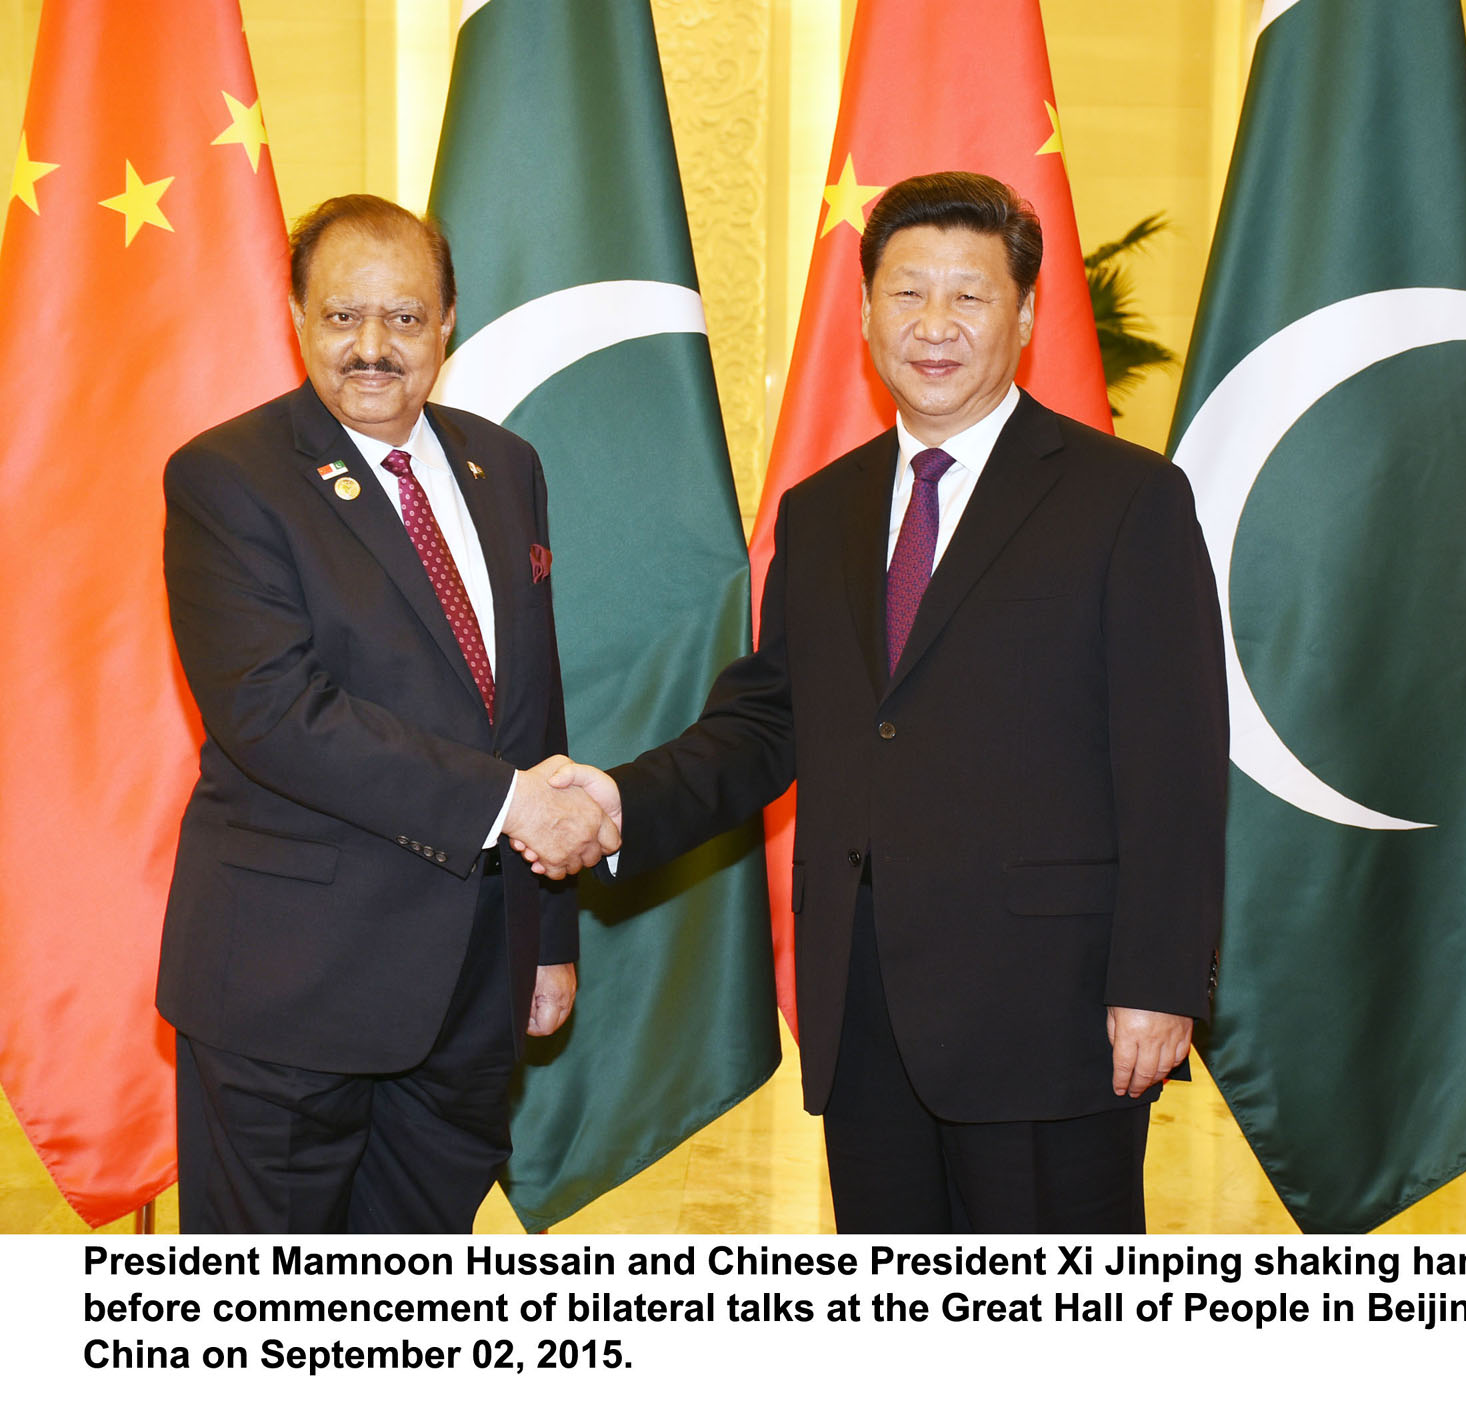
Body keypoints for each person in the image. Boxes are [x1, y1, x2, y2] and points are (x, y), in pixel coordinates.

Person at [538, 171, 1228, 1233]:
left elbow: (1173, 764)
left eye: (970, 295)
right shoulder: (822, 511)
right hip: (864, 1010)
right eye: (907, 295)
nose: (934, 325)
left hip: (1050, 1012)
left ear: (1028, 313)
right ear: (864, 314)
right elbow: (768, 720)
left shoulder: (1124, 498)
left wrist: (1158, 979)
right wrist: (616, 803)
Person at [158, 194, 616, 1233]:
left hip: (469, 990)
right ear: (296, 316)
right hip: (291, 988)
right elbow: (275, 714)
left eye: (404, 318)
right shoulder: (228, 477)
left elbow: (529, 708)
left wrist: (546, 937)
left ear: (449, 320)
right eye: (342, 317)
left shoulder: (507, 468)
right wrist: (511, 805)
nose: (373, 347)